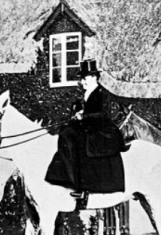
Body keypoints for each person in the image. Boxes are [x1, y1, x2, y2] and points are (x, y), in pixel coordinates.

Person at [45, 60, 127, 208]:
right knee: (66, 132)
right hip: (91, 128)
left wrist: (84, 117)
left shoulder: (103, 94)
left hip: (104, 132)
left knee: (78, 141)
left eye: (86, 78)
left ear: (95, 77)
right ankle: (66, 177)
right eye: (81, 79)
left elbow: (104, 115)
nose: (82, 82)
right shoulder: (87, 94)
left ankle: (84, 187)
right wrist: (82, 114)